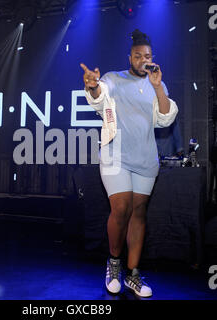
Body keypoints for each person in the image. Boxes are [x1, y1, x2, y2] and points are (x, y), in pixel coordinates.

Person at [80, 29, 178, 297]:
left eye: (147, 56)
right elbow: (99, 96)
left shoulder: (158, 85)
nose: (143, 60)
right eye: (138, 56)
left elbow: (165, 118)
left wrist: (158, 87)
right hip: (115, 156)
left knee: (138, 213)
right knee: (121, 207)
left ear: (152, 57)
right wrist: (93, 84)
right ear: (130, 57)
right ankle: (114, 263)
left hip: (145, 158)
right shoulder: (114, 78)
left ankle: (132, 274)